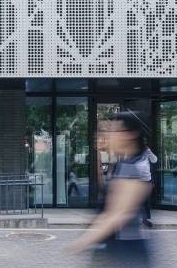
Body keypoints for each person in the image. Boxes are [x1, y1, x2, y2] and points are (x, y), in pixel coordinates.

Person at [70, 112, 153, 267]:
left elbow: (117, 215)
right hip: (115, 248)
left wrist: (82, 242)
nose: (110, 135)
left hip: (127, 252)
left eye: (115, 131)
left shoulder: (134, 167)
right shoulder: (122, 164)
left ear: (130, 135)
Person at [140, 138, 158, 227]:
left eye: (145, 142)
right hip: (137, 179)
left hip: (147, 179)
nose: (144, 143)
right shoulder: (135, 151)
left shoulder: (147, 151)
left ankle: (145, 219)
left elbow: (154, 160)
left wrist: (149, 152)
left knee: (146, 200)